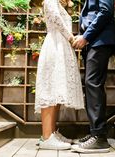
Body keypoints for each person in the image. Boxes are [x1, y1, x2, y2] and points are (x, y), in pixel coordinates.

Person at [34, 0, 84, 150]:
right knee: (50, 90)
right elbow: (56, 18)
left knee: (56, 91)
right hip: (55, 45)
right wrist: (71, 38)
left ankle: (51, 133)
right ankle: (46, 136)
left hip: (60, 45)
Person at [71, 0, 115, 153]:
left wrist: (86, 36)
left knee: (93, 83)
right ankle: (95, 133)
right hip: (95, 40)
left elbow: (105, 11)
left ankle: (99, 137)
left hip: (99, 40)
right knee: (93, 84)